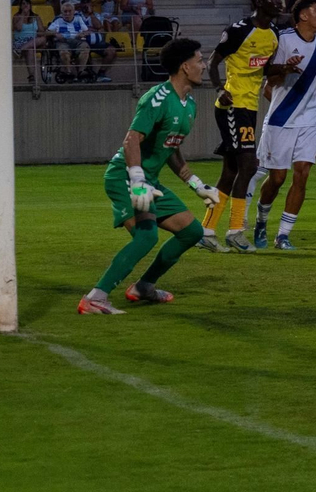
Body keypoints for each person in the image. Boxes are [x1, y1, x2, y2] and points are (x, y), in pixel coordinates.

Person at [76, 38, 220, 314]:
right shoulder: (157, 98)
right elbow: (132, 140)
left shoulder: (188, 104)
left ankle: (143, 287)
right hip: (125, 176)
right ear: (185, 67)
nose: (204, 65)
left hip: (148, 181)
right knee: (146, 236)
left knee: (192, 231)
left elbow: (172, 148)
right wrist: (137, 179)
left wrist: (196, 184)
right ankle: (95, 297)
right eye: (200, 61)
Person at [252, 0, 316, 250]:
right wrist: (284, 70)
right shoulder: (283, 40)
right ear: (303, 16)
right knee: (276, 179)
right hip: (281, 120)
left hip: (310, 121)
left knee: (303, 175)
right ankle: (261, 220)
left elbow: (315, 85)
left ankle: (283, 235)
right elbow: (269, 84)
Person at [196, 0, 285, 254]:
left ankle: (207, 231)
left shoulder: (274, 34)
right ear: (258, 1)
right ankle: (236, 230)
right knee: (249, 165)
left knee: (231, 171)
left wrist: (286, 67)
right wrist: (219, 88)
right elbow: (213, 60)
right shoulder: (238, 30)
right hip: (232, 105)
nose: (278, 2)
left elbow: (266, 68)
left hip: (250, 106)